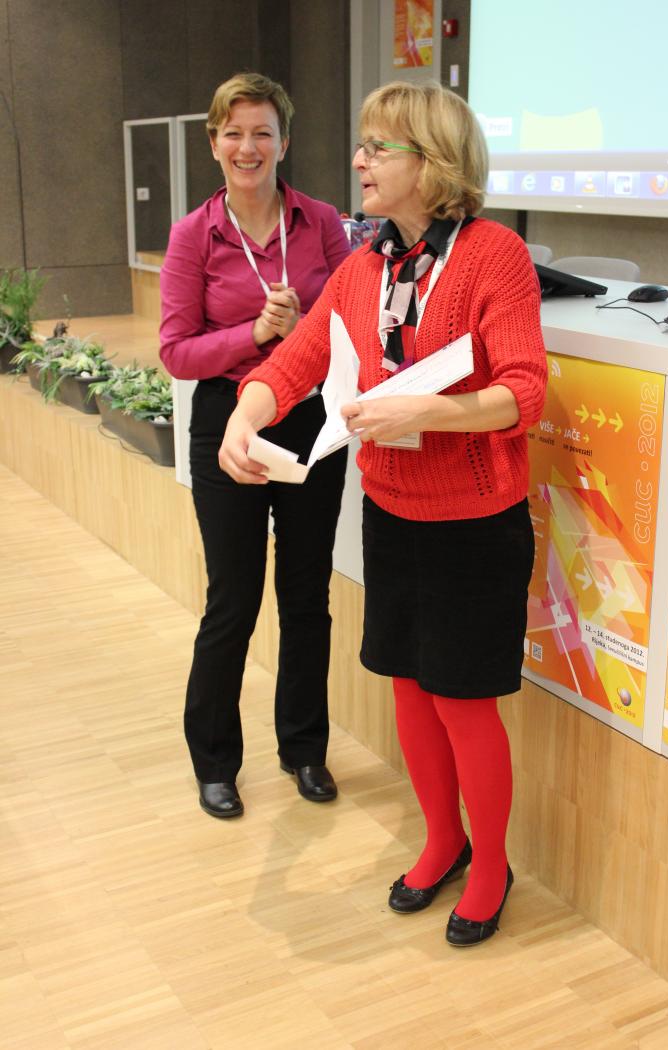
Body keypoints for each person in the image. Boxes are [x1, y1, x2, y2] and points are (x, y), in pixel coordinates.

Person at [217, 80, 547, 945]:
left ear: (432, 163)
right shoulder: (366, 268)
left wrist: (429, 411)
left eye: (378, 146)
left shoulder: (494, 255)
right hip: (394, 516)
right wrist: (246, 414)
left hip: (475, 524)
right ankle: (442, 841)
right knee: (409, 687)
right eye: (362, 144)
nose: (358, 160)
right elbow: (296, 359)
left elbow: (524, 393)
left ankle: (491, 864)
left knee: (463, 700)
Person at [159, 72, 350, 820]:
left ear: (284, 142)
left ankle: (304, 749)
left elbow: (348, 322)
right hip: (228, 420)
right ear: (214, 144)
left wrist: (305, 330)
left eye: (262, 132)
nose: (248, 146)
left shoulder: (322, 222)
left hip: (309, 417)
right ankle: (215, 762)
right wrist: (255, 333)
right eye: (233, 133)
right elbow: (177, 351)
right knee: (232, 600)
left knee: (307, 595)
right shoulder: (193, 234)